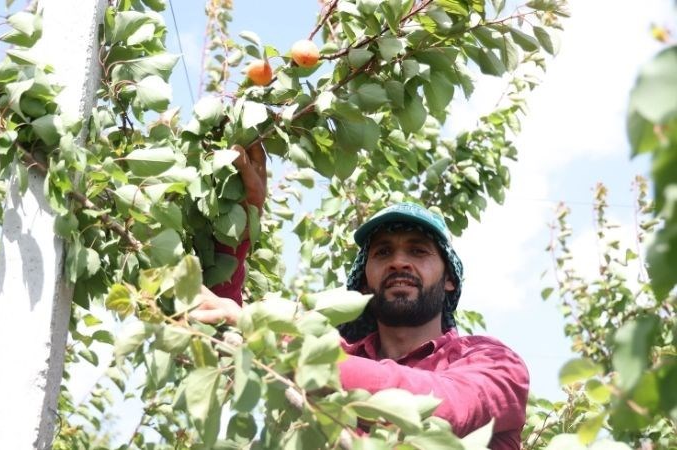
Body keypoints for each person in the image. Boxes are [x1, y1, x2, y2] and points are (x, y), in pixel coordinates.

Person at [193, 146, 529, 450]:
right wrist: (242, 220)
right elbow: (218, 322)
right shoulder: (337, 354)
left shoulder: (492, 362)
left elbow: (447, 409)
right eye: (383, 252)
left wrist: (280, 344)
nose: (399, 261)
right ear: (365, 285)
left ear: (450, 282)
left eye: (418, 250)